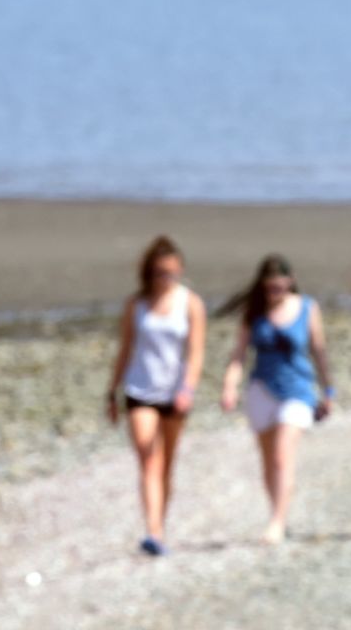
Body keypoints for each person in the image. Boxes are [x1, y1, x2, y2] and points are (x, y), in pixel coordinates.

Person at [218, 254, 333, 544]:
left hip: (298, 390)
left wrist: (328, 389)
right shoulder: (254, 312)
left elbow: (318, 350)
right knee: (268, 460)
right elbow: (239, 355)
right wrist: (229, 387)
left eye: (280, 287)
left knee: (283, 456)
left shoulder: (307, 307)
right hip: (262, 389)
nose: (275, 292)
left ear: (290, 282)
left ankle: (277, 523)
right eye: (270, 288)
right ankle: (277, 512)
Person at [106, 235, 207, 557]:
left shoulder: (190, 303)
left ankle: (160, 527)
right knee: (149, 457)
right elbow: (125, 350)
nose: (166, 279)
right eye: (161, 272)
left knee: (166, 465)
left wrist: (187, 389)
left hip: (174, 393)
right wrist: (112, 391)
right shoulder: (136, 305)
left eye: (172, 273)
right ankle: (152, 529)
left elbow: (196, 353)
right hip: (139, 390)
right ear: (149, 272)